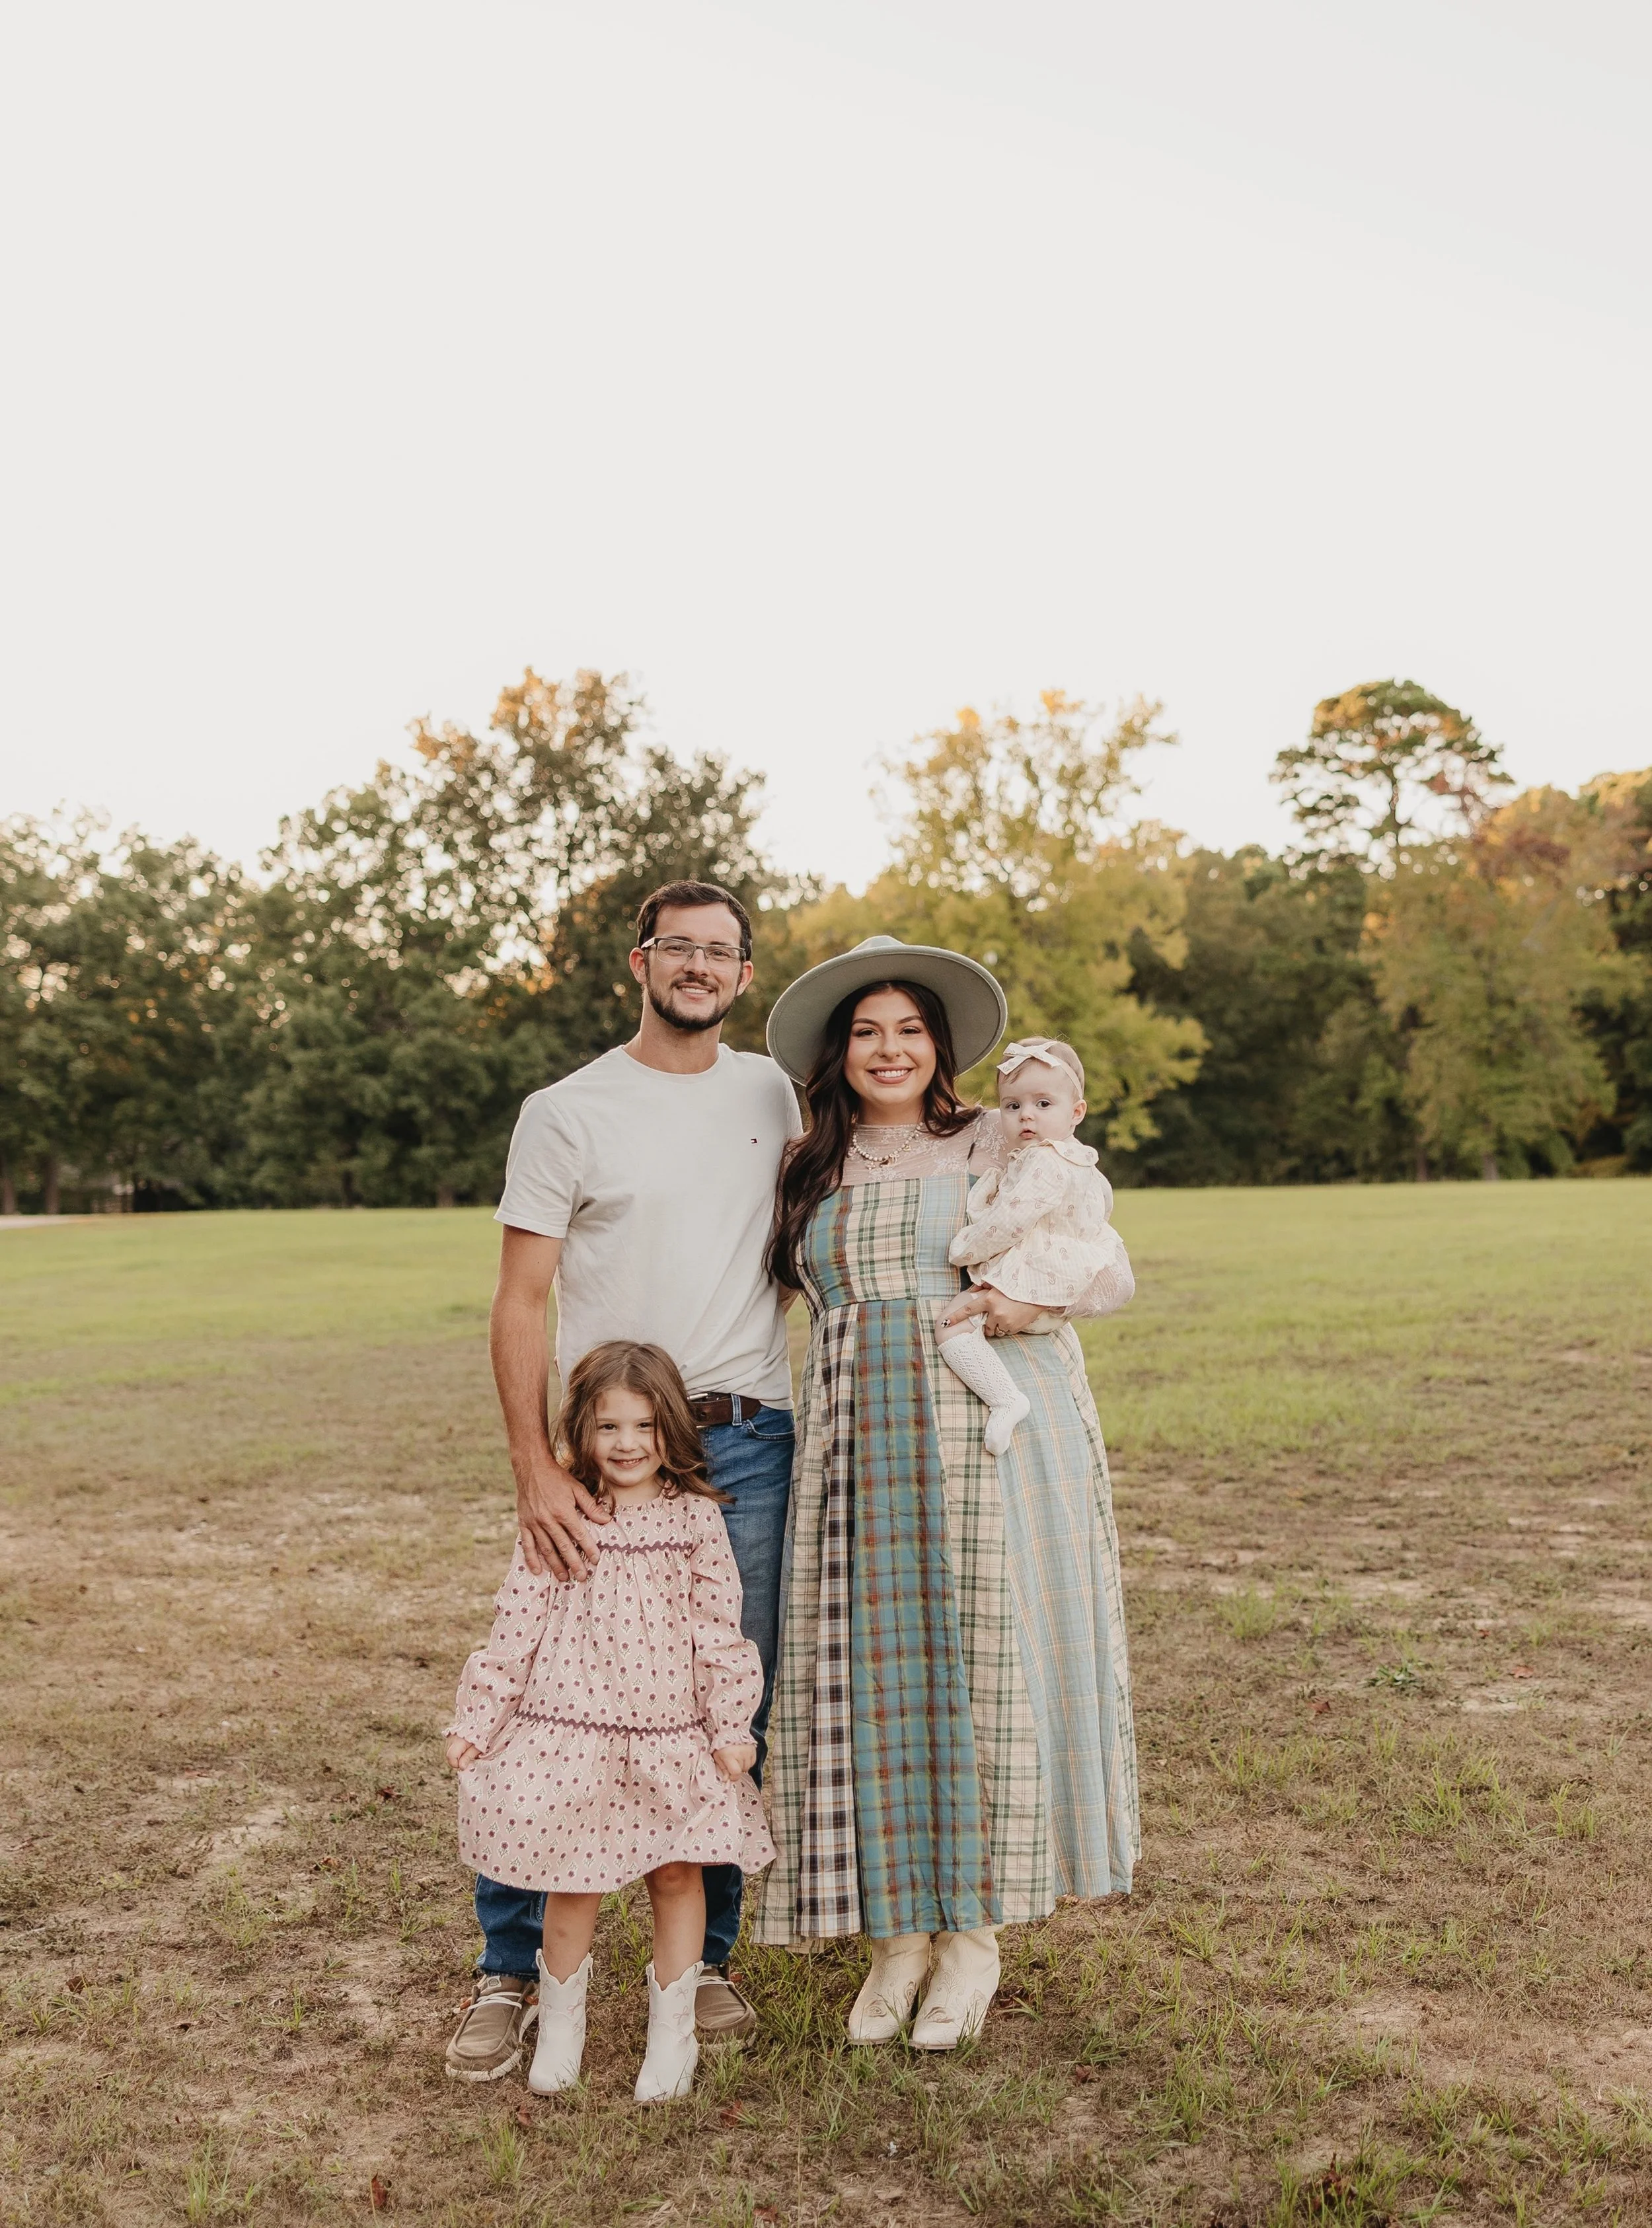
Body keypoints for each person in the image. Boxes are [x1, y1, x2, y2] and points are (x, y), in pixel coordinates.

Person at [753, 937, 1139, 2053]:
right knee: (875, 1675)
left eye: (910, 1029)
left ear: (940, 1046)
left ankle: (973, 1936)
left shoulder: (992, 1138)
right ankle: (897, 1938)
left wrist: (1026, 1303)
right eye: (868, 1030)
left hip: (985, 1422)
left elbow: (1105, 1259)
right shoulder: (803, 1164)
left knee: (983, 1663)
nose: (890, 1049)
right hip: (854, 1443)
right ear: (839, 1051)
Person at [444, 879, 800, 2085]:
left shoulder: (774, 1092)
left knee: (716, 1710)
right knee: (555, 1715)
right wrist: (534, 1465)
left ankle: (700, 1964)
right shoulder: (567, 1110)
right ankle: (511, 1969)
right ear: (638, 963)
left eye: (721, 952)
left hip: (745, 1445)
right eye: (678, 949)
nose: (698, 967)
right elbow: (521, 1298)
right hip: (606, 1457)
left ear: (744, 975)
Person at [445, 1341, 774, 2103]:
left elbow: (719, 1628)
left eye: (644, 1426)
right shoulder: (565, 1515)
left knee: (676, 1872)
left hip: (669, 1736)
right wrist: (479, 1717)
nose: (627, 1444)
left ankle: (673, 2035)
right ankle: (561, 2029)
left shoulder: (696, 1522)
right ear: (581, 1432)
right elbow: (515, 1627)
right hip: (573, 1733)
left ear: (671, 1431)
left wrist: (730, 1727)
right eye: (608, 1428)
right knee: (571, 1876)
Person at [938, 1036, 1135, 1454]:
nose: (1026, 1115)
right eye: (1012, 1106)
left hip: (1033, 1280)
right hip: (1061, 1276)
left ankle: (1005, 1399)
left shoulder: (1043, 1161)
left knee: (951, 1325)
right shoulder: (1082, 1161)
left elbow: (1008, 1223)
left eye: (1043, 1104)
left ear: (1076, 1112)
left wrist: (964, 1249)